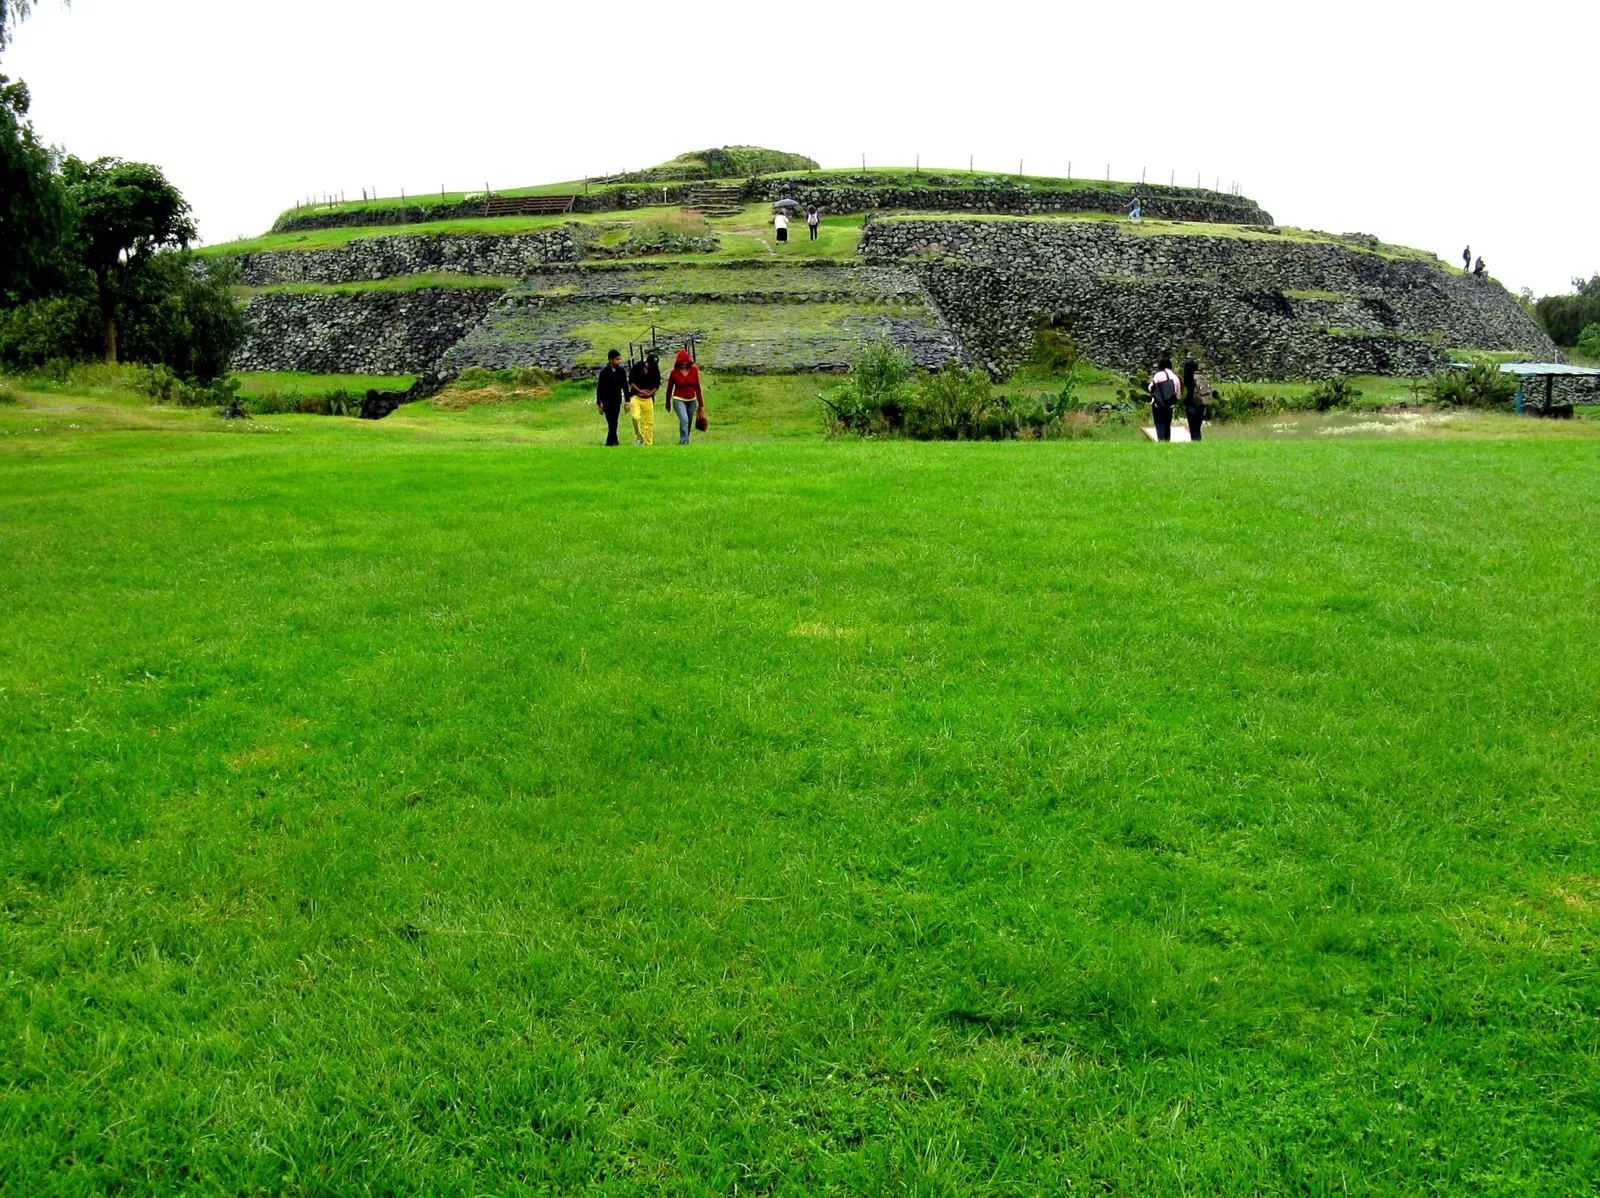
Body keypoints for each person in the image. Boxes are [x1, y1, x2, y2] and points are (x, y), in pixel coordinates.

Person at [664, 348, 703, 445]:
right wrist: (668, 403)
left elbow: (697, 387)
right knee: (684, 420)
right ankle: (684, 441)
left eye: (685, 361)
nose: (684, 364)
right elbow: (669, 389)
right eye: (682, 362)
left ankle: (686, 440)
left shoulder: (694, 370)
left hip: (691, 400)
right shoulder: (674, 372)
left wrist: (701, 404)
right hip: (678, 399)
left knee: (688, 422)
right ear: (678, 362)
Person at [595, 349, 629, 447]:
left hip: (617, 400)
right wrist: (599, 403)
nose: (619, 361)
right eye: (617, 359)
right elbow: (599, 388)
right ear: (611, 360)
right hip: (607, 401)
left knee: (614, 421)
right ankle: (612, 442)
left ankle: (611, 442)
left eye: (620, 359)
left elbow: (625, 387)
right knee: (611, 421)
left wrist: (627, 401)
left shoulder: (621, 371)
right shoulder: (604, 372)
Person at [628, 351, 661, 446]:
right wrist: (640, 391)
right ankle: (639, 437)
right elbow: (631, 381)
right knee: (635, 417)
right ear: (646, 362)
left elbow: (657, 385)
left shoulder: (655, 370)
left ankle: (648, 443)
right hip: (636, 396)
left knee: (649, 422)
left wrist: (650, 393)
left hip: (648, 398)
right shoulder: (637, 367)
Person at [1147, 355, 1182, 442]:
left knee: (1159, 424)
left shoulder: (1158, 375)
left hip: (1158, 404)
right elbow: (1178, 394)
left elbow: (1150, 387)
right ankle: (1167, 441)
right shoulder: (1175, 377)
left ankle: (1161, 441)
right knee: (1167, 425)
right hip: (1169, 404)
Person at [1181, 357, 1205, 442]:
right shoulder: (1201, 377)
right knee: (1198, 426)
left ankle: (1194, 441)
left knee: (1192, 425)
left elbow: (1185, 393)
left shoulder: (1188, 378)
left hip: (1191, 403)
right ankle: (1198, 440)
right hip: (1201, 403)